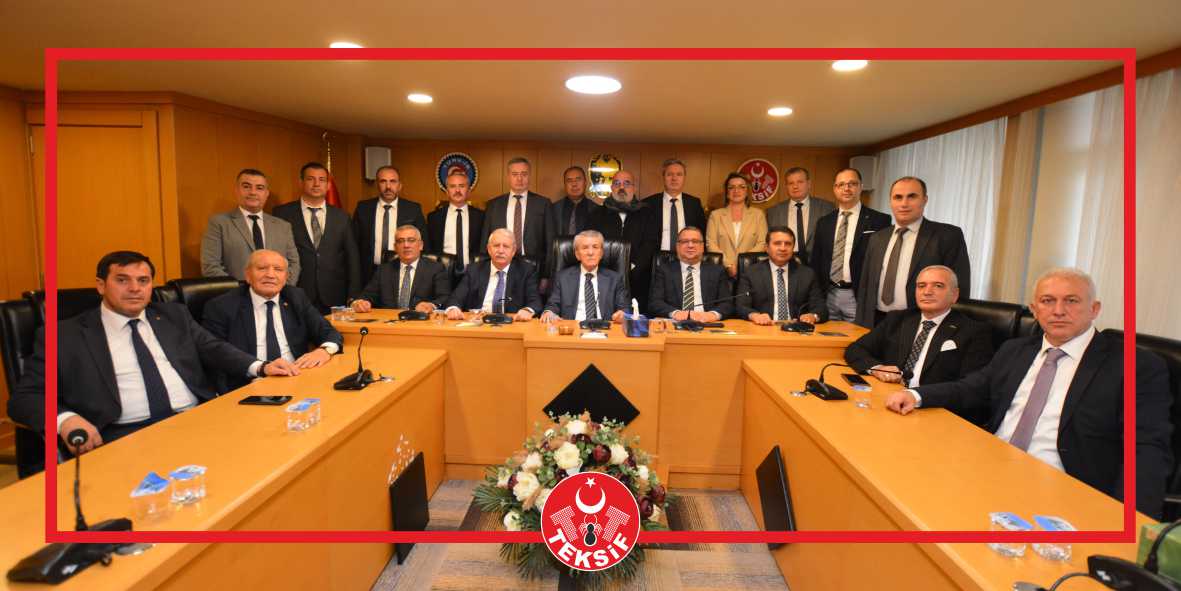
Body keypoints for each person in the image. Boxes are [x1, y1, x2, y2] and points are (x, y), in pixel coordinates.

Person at [884, 268, 1173, 518]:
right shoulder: (1016, 350)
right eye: (1048, 301)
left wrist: (1132, 525)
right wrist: (917, 396)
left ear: (1094, 309)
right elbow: (973, 387)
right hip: (988, 468)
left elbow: (1146, 451)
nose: (1058, 311)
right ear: (1035, 309)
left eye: (1071, 301)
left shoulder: (1135, 366)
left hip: (1062, 491)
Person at [7, 251, 298, 455]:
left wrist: (260, 367)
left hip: (197, 421)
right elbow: (25, 397)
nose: (135, 289)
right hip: (124, 436)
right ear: (101, 285)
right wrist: (65, 419)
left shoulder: (172, 315)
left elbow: (213, 348)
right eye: (122, 280)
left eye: (143, 281)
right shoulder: (64, 335)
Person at [203, 249, 344, 391]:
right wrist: (260, 368)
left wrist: (324, 351)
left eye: (278, 269)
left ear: (286, 277)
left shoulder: (295, 297)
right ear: (248, 275)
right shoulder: (222, 306)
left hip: (296, 377)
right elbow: (215, 352)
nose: (270, 275)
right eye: (262, 268)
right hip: (248, 383)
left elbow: (328, 332)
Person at [844, 265, 992, 398]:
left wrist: (916, 396)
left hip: (932, 406)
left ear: (954, 294)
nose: (927, 292)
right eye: (921, 286)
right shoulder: (897, 319)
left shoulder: (974, 332)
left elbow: (971, 387)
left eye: (938, 286)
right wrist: (878, 368)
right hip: (889, 396)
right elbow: (856, 349)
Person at [855, 176, 972, 328]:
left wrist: (951, 328)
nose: (904, 203)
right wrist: (861, 323)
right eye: (898, 197)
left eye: (912, 196)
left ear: (925, 200)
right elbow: (865, 286)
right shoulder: (877, 238)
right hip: (877, 321)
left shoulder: (948, 236)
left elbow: (959, 288)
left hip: (922, 323)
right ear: (891, 202)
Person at [272, 162, 361, 312]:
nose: (316, 184)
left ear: (328, 185)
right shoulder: (282, 214)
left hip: (334, 295)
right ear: (301, 182)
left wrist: (353, 295)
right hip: (296, 292)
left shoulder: (342, 216)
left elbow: (352, 258)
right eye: (310, 179)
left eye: (322, 180)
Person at [809, 168, 892, 322]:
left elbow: (884, 262)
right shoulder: (824, 222)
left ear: (861, 187)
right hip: (829, 295)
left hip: (859, 296)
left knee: (859, 336)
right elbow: (817, 261)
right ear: (835, 189)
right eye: (841, 184)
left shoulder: (880, 220)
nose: (846, 188)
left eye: (852, 184)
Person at [200, 168, 300, 285]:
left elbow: (294, 264)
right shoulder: (219, 223)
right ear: (236, 190)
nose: (253, 192)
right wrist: (241, 291)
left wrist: (280, 289)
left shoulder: (283, 226)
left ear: (266, 193)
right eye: (246, 186)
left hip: (277, 294)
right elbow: (210, 266)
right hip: (235, 294)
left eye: (259, 188)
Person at [590, 170, 659, 314]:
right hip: (603, 276)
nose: (621, 187)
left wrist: (633, 267)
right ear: (611, 188)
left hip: (638, 278)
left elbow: (650, 243)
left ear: (633, 188)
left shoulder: (646, 213)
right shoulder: (597, 213)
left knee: (633, 319)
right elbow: (591, 242)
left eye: (627, 183)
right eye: (617, 183)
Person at [353, 165, 429, 287]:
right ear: (377, 184)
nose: (388, 186)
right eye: (383, 181)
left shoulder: (413, 209)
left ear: (399, 185)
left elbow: (423, 245)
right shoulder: (363, 208)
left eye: (393, 181)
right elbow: (354, 245)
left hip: (401, 272)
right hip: (368, 274)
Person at [735, 227, 827, 326]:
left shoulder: (807, 274)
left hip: (796, 329)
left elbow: (821, 307)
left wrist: (813, 316)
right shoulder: (751, 273)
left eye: (788, 244)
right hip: (763, 328)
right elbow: (741, 306)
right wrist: (754, 315)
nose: (783, 248)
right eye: (777, 243)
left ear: (793, 248)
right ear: (767, 248)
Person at [444, 229, 542, 321]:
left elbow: (535, 301)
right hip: (478, 322)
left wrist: (527, 310)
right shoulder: (474, 270)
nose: (500, 251)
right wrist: (453, 308)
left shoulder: (526, 271)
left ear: (513, 251)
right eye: (496, 246)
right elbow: (455, 298)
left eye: (506, 246)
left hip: (512, 322)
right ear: (489, 249)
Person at [351, 225, 450, 313]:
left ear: (421, 245)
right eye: (400, 241)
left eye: (411, 240)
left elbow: (444, 298)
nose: (406, 245)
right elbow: (366, 296)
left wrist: (431, 305)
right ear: (395, 247)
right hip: (389, 323)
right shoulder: (384, 270)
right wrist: (360, 303)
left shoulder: (435, 269)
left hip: (421, 322)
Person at [541, 230, 629, 322]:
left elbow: (624, 308)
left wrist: (622, 314)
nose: (590, 252)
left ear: (601, 253)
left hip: (604, 327)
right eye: (585, 248)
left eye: (595, 247)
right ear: (577, 254)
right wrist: (549, 312)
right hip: (573, 327)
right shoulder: (562, 277)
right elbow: (552, 305)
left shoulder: (615, 279)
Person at [480, 157, 550, 273]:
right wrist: (483, 271)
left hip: (533, 268)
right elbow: (485, 241)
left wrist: (546, 275)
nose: (519, 178)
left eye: (524, 174)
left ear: (529, 176)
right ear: (508, 176)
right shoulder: (493, 205)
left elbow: (550, 243)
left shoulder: (543, 204)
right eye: (515, 174)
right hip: (500, 265)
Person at [649, 226, 733, 321]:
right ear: (677, 246)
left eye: (695, 241)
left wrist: (713, 315)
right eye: (685, 241)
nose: (690, 245)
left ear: (702, 247)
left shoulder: (717, 271)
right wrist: (676, 313)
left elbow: (727, 303)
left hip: (707, 323)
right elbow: (655, 302)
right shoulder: (664, 270)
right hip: (676, 323)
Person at [764, 167, 835, 261]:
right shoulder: (773, 212)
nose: (795, 186)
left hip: (817, 264)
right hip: (785, 263)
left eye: (800, 182)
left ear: (809, 184)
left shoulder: (827, 208)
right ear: (786, 186)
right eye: (791, 183)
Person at [705, 172, 768, 278]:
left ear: (747, 191)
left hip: (750, 271)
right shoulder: (715, 215)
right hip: (722, 272)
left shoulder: (758, 215)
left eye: (741, 187)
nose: (736, 191)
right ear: (727, 192)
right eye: (731, 187)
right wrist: (729, 265)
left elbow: (762, 243)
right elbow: (710, 243)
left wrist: (741, 264)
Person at [642, 158, 706, 253]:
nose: (674, 178)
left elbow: (702, 234)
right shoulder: (648, 204)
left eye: (679, 174)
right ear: (663, 177)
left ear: (684, 178)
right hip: (656, 257)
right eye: (669, 174)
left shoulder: (694, 204)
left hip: (687, 256)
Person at [427, 171, 484, 273]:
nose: (457, 190)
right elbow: (430, 249)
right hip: (442, 273)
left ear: (469, 190)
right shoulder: (434, 218)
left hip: (473, 273)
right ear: (447, 192)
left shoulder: (481, 217)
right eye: (452, 186)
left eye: (462, 186)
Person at [545, 166, 602, 243]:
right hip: (558, 250)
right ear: (564, 185)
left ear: (585, 182)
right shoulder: (553, 209)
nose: (574, 184)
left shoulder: (598, 210)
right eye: (569, 180)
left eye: (578, 179)